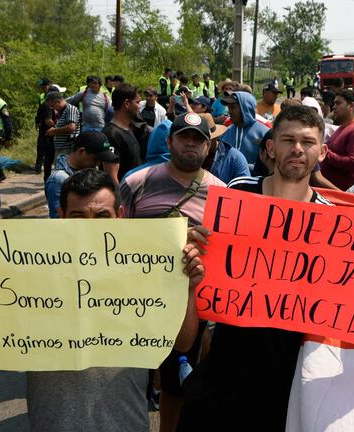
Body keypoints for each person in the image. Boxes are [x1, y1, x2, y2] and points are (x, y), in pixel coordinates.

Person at [177, 105, 354, 431]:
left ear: (322, 152)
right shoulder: (238, 194)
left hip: (288, 384)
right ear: (270, 147)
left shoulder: (336, 224)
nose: (297, 149)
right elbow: (202, 260)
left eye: (308, 142)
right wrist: (190, 244)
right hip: (223, 373)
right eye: (288, 140)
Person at [0, 168, 206, 432]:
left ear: (121, 217)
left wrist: (187, 287)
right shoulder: (31, 275)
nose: (89, 227)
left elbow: (183, 343)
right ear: (62, 216)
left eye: (101, 216)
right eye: (79, 216)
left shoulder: (146, 271)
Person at [120, 112, 226, 432]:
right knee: (128, 379)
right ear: (169, 142)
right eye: (184, 137)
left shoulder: (223, 194)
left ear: (208, 148)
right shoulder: (135, 183)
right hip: (134, 300)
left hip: (190, 305)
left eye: (199, 139)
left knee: (177, 387)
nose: (191, 144)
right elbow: (112, 239)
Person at [45, 131, 119, 218]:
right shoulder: (59, 179)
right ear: (81, 152)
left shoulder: (92, 173)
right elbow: (58, 219)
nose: (98, 164)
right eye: (95, 159)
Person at [320, 89, 354, 190]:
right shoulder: (343, 127)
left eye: (338, 103)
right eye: (334, 103)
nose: (334, 107)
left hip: (345, 194)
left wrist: (326, 154)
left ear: (351, 106)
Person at [102, 83, 144, 183]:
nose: (139, 106)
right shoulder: (111, 134)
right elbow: (112, 177)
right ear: (127, 104)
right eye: (137, 102)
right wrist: (121, 198)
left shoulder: (128, 129)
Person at [219, 91, 270, 166]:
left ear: (245, 108)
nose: (229, 112)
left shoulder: (264, 133)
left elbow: (270, 165)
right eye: (229, 108)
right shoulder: (225, 132)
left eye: (233, 107)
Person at [197, 113, 249, 183]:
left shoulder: (235, 159)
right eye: (196, 140)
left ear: (216, 138)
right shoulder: (186, 155)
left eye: (204, 141)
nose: (198, 145)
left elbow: (244, 191)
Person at [45, 91, 80, 161]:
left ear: (58, 102)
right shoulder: (62, 111)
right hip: (61, 148)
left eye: (52, 105)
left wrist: (54, 131)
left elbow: (71, 127)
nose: (52, 108)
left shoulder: (70, 109)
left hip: (67, 148)